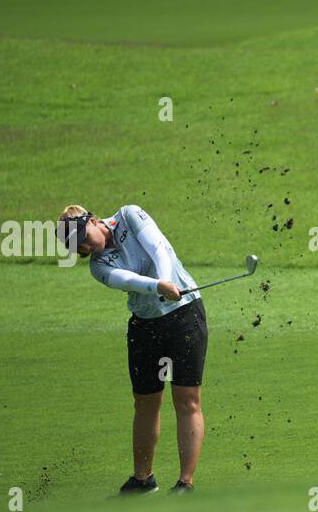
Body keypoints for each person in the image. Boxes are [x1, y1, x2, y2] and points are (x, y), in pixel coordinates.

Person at [58, 204, 207, 496]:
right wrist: (158, 287)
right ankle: (143, 479)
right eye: (76, 246)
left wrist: (167, 282)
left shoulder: (129, 215)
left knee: (187, 399)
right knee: (145, 402)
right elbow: (128, 281)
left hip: (184, 316)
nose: (84, 247)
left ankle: (185, 482)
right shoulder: (98, 267)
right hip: (145, 326)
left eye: (82, 237)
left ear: (94, 220)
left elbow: (158, 248)